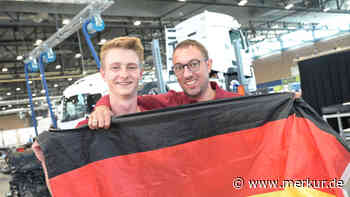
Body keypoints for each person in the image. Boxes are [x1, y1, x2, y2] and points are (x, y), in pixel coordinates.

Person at [32, 36, 146, 194]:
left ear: (141, 72)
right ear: (103, 74)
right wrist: (47, 160)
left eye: (131, 67)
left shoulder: (160, 121)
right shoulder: (84, 132)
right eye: (115, 67)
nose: (124, 74)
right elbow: (66, 191)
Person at [89, 39, 242, 129]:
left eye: (194, 64)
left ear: (208, 65)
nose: (187, 74)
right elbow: (129, 100)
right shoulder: (172, 104)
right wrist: (102, 107)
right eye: (179, 67)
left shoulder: (239, 104)